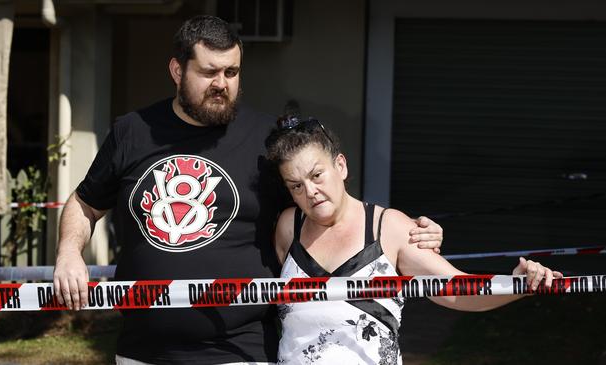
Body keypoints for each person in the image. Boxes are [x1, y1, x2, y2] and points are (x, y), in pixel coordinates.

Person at [52, 16, 444, 365]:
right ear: (176, 70)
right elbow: (85, 204)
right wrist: (69, 252)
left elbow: (326, 209)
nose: (222, 84)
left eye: (232, 72)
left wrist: (403, 233)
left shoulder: (265, 140)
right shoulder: (131, 132)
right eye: (209, 72)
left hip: (241, 350)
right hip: (143, 350)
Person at [264, 116, 563, 365]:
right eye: (296, 186)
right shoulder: (288, 227)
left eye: (317, 175)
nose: (310, 191)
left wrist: (518, 284)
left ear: (340, 166)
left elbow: (456, 290)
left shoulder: (389, 227)